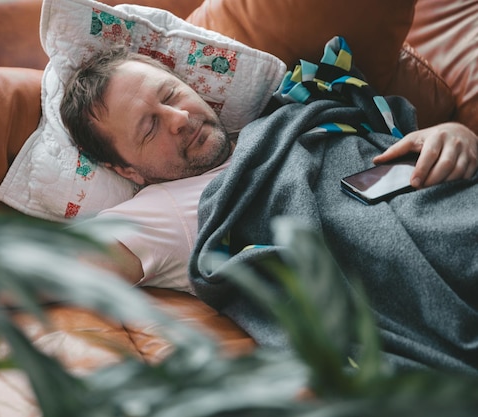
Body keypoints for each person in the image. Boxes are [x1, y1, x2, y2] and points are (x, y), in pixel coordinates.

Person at [60, 47, 478, 292]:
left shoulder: (287, 119)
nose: (179, 119)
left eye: (171, 94)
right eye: (149, 128)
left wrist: (454, 134)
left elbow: (392, 142)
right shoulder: (165, 211)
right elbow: (26, 267)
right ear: (127, 170)